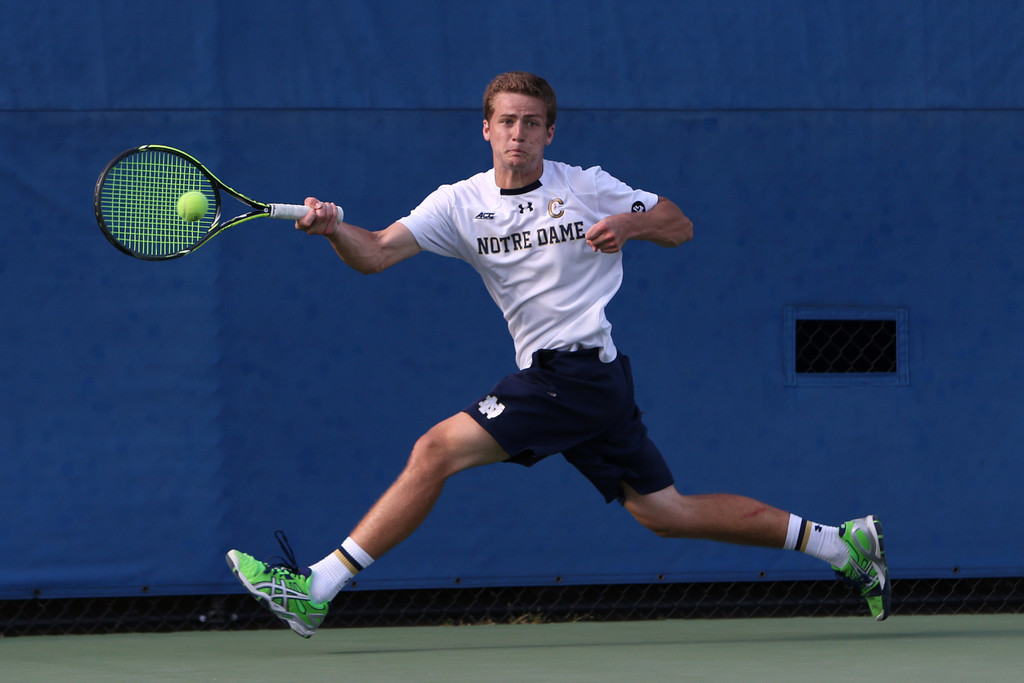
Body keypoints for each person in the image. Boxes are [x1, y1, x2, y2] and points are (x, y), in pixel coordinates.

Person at [226, 72, 890, 637]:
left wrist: (629, 223)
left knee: (435, 451)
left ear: (550, 133)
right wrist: (334, 230)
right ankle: (841, 544)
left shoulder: (585, 186)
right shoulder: (458, 204)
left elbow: (679, 224)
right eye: (507, 122)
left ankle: (317, 587)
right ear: (486, 129)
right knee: (666, 512)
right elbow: (374, 253)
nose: (518, 134)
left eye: (532, 123)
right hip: (584, 384)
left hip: (574, 374)